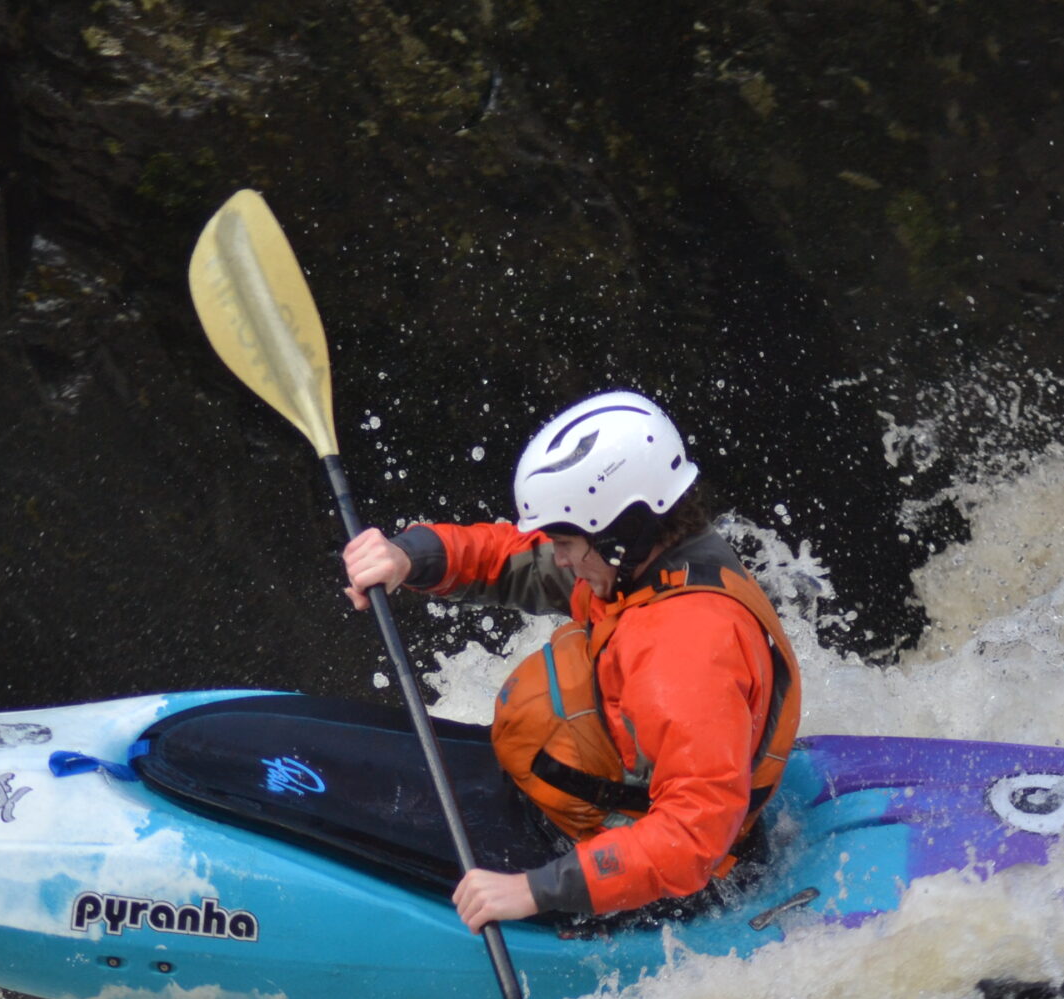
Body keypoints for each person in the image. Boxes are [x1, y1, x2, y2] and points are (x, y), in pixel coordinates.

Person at [340, 391, 802, 932]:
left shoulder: (687, 647)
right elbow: (514, 559)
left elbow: (692, 837)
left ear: (618, 534)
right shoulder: (643, 563)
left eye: (565, 541)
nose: (557, 555)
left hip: (667, 886)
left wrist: (535, 890)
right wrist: (408, 557)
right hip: (580, 804)